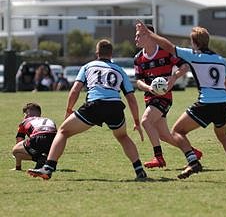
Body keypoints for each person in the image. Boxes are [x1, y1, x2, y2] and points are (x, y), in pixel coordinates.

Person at [136, 20, 226, 179]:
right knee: (223, 135)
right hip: (224, 103)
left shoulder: (194, 56)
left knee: (177, 131)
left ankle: (193, 161)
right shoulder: (220, 59)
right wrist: (222, 96)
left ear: (194, 43)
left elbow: (168, 46)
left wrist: (149, 32)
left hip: (206, 103)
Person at [27, 39, 147, 180]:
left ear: (97, 53)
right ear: (111, 54)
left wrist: (69, 110)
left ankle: (48, 168)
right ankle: (140, 170)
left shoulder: (88, 66)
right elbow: (131, 98)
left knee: (63, 131)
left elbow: (75, 90)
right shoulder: (119, 70)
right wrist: (137, 122)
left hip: (94, 105)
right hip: (115, 107)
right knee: (122, 136)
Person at [134, 24, 203, 169]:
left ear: (149, 35)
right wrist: (148, 88)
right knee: (164, 136)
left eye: (139, 35)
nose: (136, 38)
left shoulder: (165, 51)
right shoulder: (138, 58)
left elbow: (185, 66)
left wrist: (173, 78)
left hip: (164, 97)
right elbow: (138, 81)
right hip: (150, 97)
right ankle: (192, 152)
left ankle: (158, 158)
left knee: (146, 121)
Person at [12, 103, 57, 171]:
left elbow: (19, 140)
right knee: (43, 148)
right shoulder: (49, 120)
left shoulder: (25, 121)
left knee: (15, 151)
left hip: (38, 137)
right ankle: (49, 162)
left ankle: (39, 159)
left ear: (27, 114)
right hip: (54, 140)